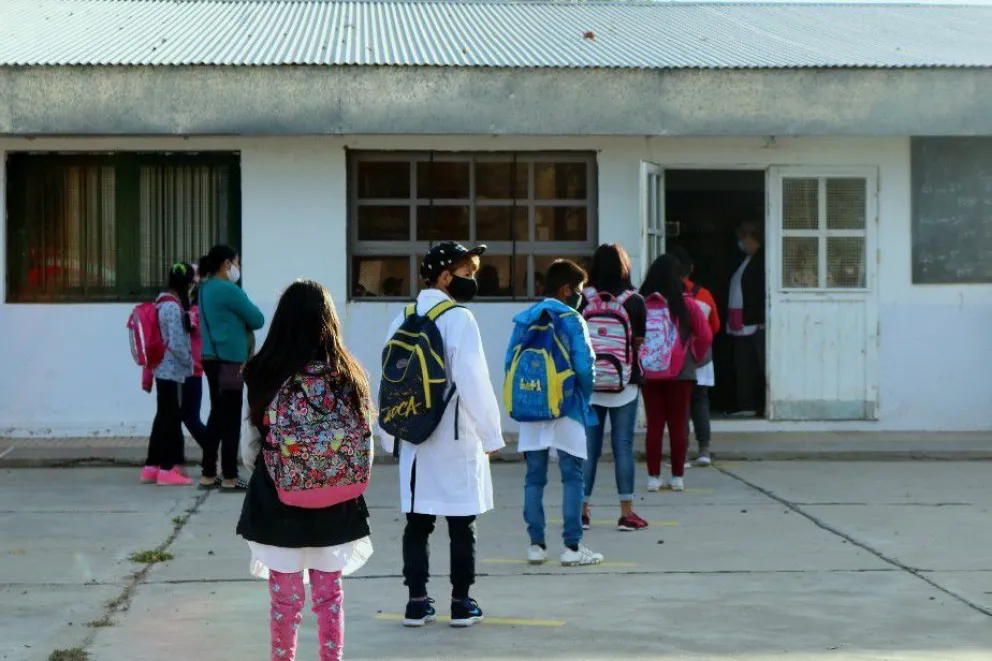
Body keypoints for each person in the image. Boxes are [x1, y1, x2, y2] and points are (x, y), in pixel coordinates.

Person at [238, 280, 373, 661]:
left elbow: (249, 449)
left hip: (277, 502)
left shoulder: (261, 373)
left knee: (285, 602)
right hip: (337, 503)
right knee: (330, 598)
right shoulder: (348, 375)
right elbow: (365, 442)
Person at [379, 241, 504, 629]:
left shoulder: (402, 317)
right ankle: (461, 604)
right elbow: (474, 381)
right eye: (467, 272)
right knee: (461, 524)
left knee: (417, 524)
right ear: (446, 276)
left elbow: (388, 383)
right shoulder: (460, 319)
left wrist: (389, 436)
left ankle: (416, 603)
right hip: (454, 438)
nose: (473, 278)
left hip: (414, 439)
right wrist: (491, 435)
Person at [506, 259, 603, 567]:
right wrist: (583, 395)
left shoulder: (526, 318)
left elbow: (509, 363)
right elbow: (585, 365)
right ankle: (572, 547)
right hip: (567, 406)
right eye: (580, 290)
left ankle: (536, 545)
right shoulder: (572, 319)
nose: (581, 297)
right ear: (566, 289)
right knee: (573, 476)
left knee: (534, 478)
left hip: (532, 406)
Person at [580, 243, 649, 532]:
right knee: (623, 447)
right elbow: (639, 343)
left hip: (591, 384)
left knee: (589, 449)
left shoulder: (583, 298)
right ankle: (627, 514)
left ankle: (582, 512)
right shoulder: (635, 301)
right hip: (625, 384)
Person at [640, 255, 713, 492]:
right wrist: (693, 356)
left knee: (654, 425)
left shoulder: (642, 304)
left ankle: (653, 477)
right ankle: (677, 477)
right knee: (678, 425)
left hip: (650, 371)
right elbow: (705, 336)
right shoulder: (687, 305)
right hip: (681, 373)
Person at [197, 245, 265, 491]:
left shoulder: (204, 289)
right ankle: (229, 476)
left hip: (210, 357)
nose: (238, 267)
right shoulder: (228, 289)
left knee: (217, 414)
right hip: (230, 361)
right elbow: (257, 318)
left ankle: (208, 473)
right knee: (231, 417)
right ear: (227, 263)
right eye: (237, 262)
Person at [141, 262, 196, 487]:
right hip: (171, 369)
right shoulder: (172, 307)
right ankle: (166, 469)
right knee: (171, 419)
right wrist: (189, 362)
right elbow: (176, 342)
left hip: (161, 368)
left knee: (163, 417)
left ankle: (151, 467)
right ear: (185, 284)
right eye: (191, 283)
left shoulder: (161, 302)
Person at [670, 246, 721, 466]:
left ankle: (681, 453)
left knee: (680, 406)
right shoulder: (704, 294)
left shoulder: (667, 295)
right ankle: (704, 450)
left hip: (676, 360)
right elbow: (714, 327)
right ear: (690, 268)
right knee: (700, 402)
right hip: (702, 359)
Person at [728, 221, 766, 417]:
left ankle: (759, 404)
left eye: (743, 238)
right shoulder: (747, 260)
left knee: (757, 364)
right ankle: (747, 405)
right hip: (742, 321)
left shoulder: (762, 260)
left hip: (756, 322)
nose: (741, 243)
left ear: (752, 237)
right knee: (744, 365)